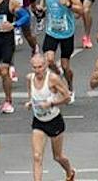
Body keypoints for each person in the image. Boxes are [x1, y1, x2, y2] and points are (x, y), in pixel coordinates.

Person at [27, 51, 75, 181]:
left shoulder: (52, 78)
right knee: (37, 156)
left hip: (54, 121)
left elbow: (67, 97)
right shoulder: (30, 78)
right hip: (39, 121)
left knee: (57, 156)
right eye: (35, 67)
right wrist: (30, 103)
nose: (38, 70)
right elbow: (31, 95)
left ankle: (70, 172)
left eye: (40, 67)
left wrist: (52, 103)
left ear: (46, 65)